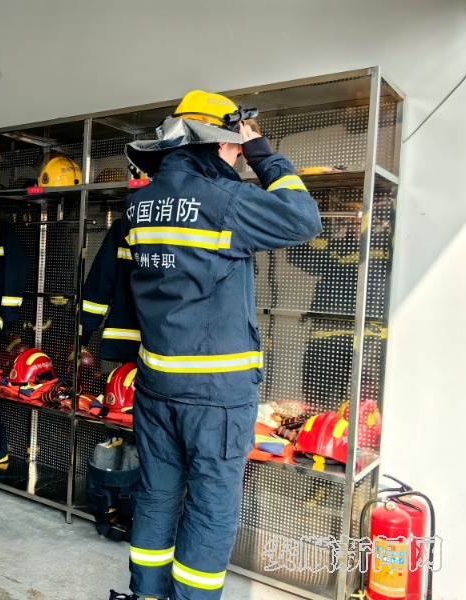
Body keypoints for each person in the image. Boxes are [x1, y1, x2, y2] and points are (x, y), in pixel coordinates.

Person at [114, 91, 322, 600]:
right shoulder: (225, 202)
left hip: (156, 386)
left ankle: (146, 593)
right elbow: (304, 218)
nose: (236, 155)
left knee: (157, 495)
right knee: (211, 506)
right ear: (217, 144)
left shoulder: (138, 205)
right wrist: (263, 154)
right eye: (233, 145)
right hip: (216, 394)